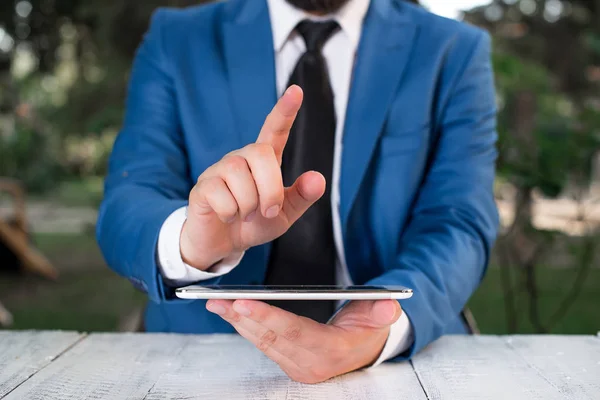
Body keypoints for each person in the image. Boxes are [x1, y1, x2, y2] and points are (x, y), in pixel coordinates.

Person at [97, 0, 499, 384]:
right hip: (202, 356)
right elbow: (129, 199)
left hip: (396, 360)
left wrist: (379, 325)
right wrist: (191, 240)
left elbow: (458, 220)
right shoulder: (177, 38)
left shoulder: (453, 50)